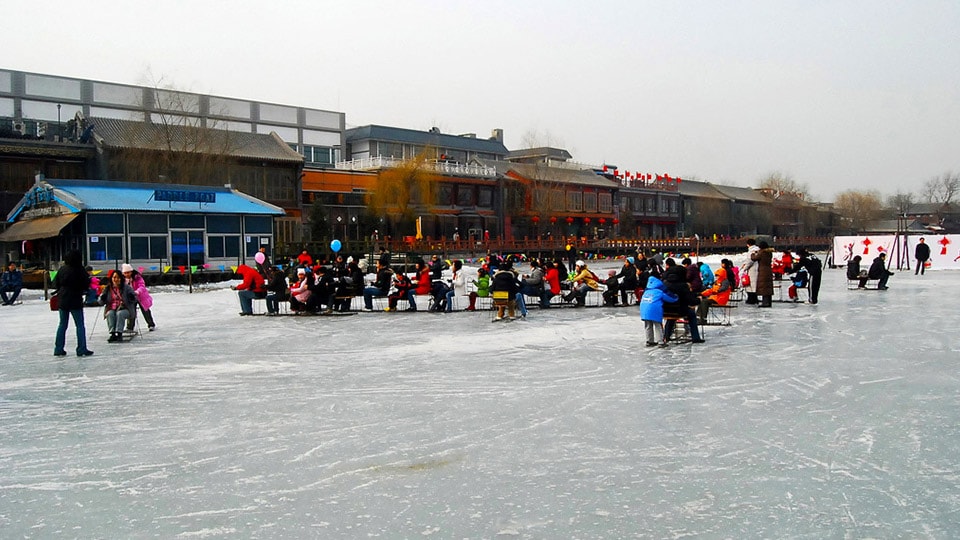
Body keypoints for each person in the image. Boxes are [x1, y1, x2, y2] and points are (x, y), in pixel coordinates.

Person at [53, 250, 94, 357]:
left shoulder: (62, 269)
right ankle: (81, 348)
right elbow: (85, 284)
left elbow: (55, 283)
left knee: (62, 325)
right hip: (75, 299)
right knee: (79, 325)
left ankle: (58, 348)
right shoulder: (79, 270)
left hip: (62, 299)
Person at [98, 270, 137, 343]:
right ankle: (112, 333)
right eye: (114, 277)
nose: (116, 279)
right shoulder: (107, 288)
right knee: (110, 314)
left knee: (120, 314)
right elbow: (100, 301)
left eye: (118, 277)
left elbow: (135, 298)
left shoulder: (126, 287)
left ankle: (119, 333)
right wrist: (102, 298)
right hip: (112, 308)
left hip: (125, 308)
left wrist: (132, 297)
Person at [639, 276, 677, 347]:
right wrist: (676, 297)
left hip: (644, 311)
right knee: (658, 326)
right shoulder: (659, 292)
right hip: (654, 310)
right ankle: (661, 342)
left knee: (648, 325)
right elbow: (670, 299)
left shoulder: (646, 291)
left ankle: (649, 341)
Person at [121, 264, 157, 331]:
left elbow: (142, 286)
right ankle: (130, 327)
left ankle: (151, 324)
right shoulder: (123, 280)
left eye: (128, 272)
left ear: (131, 272)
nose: (127, 274)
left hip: (141, 297)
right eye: (125, 273)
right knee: (131, 311)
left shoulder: (137, 277)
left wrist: (137, 292)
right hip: (131, 298)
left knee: (145, 311)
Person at [751, 240, 775, 307]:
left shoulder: (761, 253)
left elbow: (754, 258)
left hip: (763, 271)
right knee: (768, 287)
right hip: (769, 270)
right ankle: (769, 302)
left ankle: (765, 303)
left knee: (764, 287)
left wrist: (752, 254)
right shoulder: (769, 253)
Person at [740, 238, 760, 304]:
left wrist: (744, 268)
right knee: (754, 284)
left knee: (750, 284)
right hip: (757, 268)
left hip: (752, 270)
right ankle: (754, 298)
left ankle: (751, 299)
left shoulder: (751, 251)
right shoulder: (758, 250)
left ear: (748, 244)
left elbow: (750, 261)